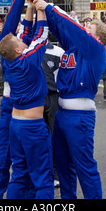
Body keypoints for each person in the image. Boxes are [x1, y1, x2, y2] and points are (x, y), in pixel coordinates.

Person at [34, 0, 106, 199]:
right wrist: (43, 9)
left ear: (98, 38)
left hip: (80, 117)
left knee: (84, 166)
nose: (85, 29)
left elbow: (72, 27)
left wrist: (49, 6)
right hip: (62, 114)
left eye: (89, 28)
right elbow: (61, 29)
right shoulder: (75, 47)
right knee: (63, 164)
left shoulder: (96, 51)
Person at [0, 0, 54, 199]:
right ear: (18, 50)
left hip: (16, 124)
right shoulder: (29, 61)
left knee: (19, 174)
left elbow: (25, 33)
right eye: (21, 43)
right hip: (32, 126)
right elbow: (41, 34)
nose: (24, 41)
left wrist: (30, 6)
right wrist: (40, 4)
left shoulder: (8, 60)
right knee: (42, 177)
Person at [0, 0, 36, 199]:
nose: (20, 37)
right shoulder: (18, 52)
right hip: (15, 106)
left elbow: (25, 24)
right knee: (6, 158)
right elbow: (14, 22)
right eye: (18, 39)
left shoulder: (22, 48)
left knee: (22, 160)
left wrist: (33, 0)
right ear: (17, 48)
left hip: (21, 107)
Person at [42, 39, 64, 186]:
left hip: (53, 97)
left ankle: (56, 172)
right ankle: (42, 173)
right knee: (38, 137)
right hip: (35, 98)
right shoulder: (27, 49)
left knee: (54, 136)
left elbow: (63, 77)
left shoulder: (58, 52)